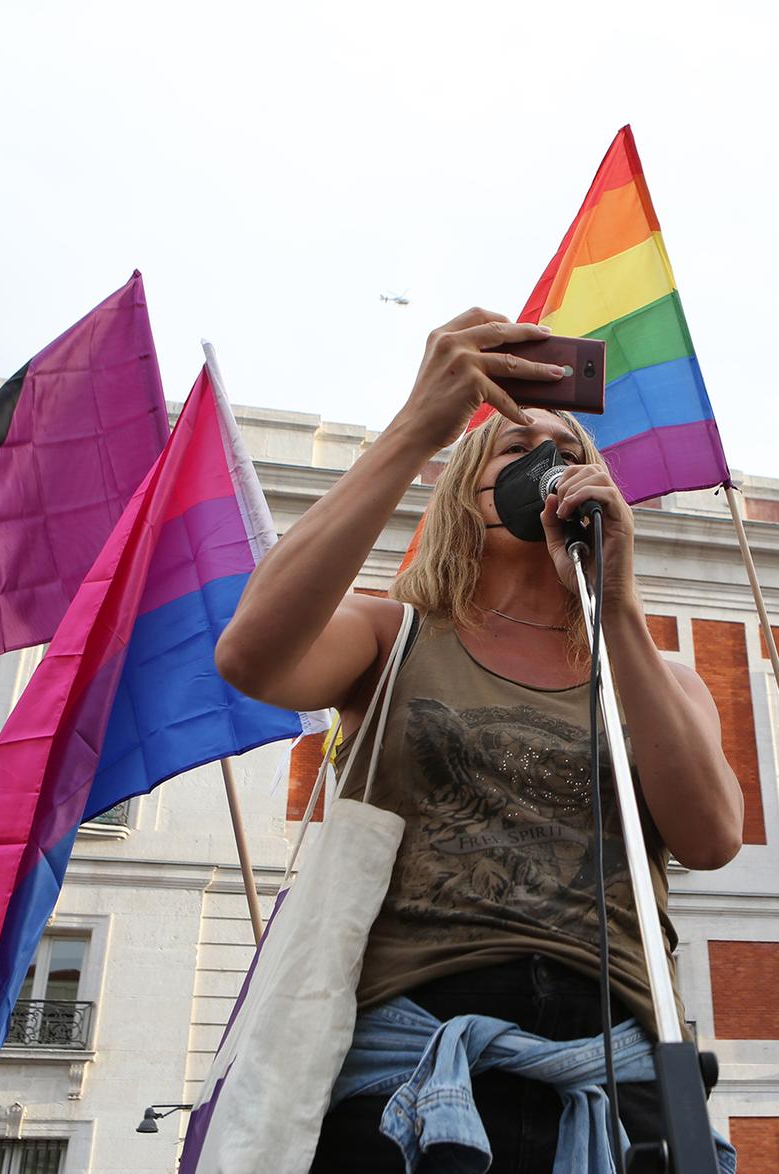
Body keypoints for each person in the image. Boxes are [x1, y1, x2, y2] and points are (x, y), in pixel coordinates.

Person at [217, 308, 745, 1172]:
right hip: (414, 1067)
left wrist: (617, 608)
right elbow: (252, 655)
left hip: (611, 1075)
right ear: (467, 490)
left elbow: (711, 838)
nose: (550, 466)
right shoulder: (395, 637)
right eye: (515, 449)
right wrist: (421, 420)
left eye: (572, 454)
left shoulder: (655, 673)